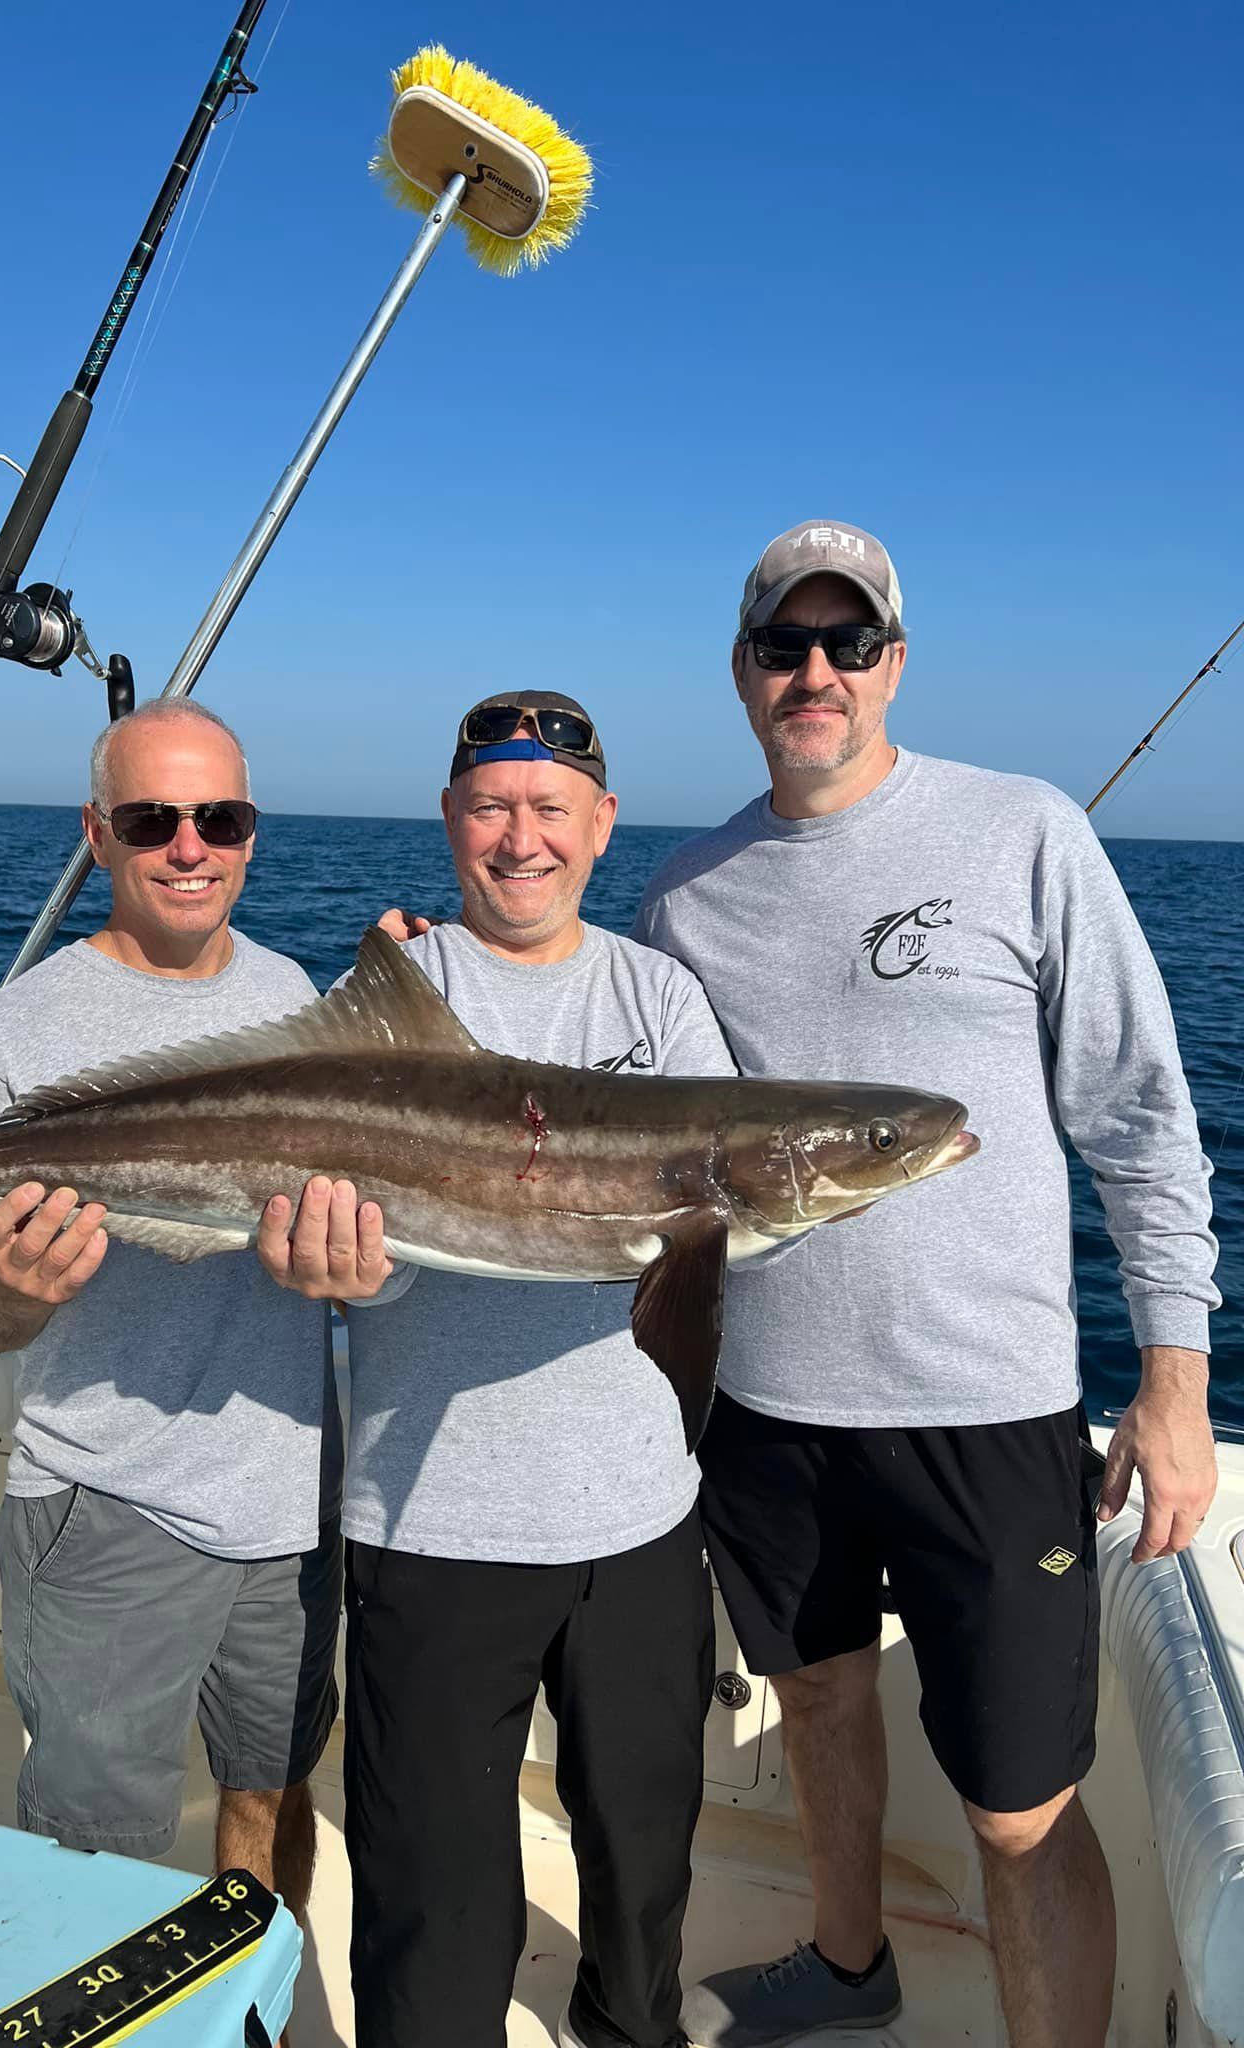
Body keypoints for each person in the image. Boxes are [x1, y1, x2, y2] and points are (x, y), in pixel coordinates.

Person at [633, 520, 1221, 2048]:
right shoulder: (687, 894)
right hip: (765, 1411)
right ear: (744, 673)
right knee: (819, 1708)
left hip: (993, 1415)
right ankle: (847, 1970)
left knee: (1022, 1810)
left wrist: (1173, 1383)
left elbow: (1142, 1116)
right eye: (784, 645)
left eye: (848, 643)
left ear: (896, 663)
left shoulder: (1027, 832)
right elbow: (634, 1122)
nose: (815, 671)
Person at [258, 691, 730, 2048]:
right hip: (434, 1519)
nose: (521, 837)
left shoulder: (661, 996)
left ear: (603, 825)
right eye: (491, 806)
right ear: (451, 821)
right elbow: (346, 1217)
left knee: (645, 1855)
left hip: (640, 1519)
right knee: (434, 1889)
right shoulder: (400, 993)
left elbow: (699, 1246)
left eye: (550, 808)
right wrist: (339, 1268)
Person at [0, 698, 341, 1927]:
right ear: (97, 835)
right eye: (154, 818)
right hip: (107, 1509)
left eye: (222, 817)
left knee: (269, 1787)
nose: (191, 846)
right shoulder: (13, 1031)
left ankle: (246, 2012)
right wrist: (9, 1285)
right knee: (90, 1852)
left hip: (287, 1497)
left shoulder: (295, 993)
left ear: (253, 833)